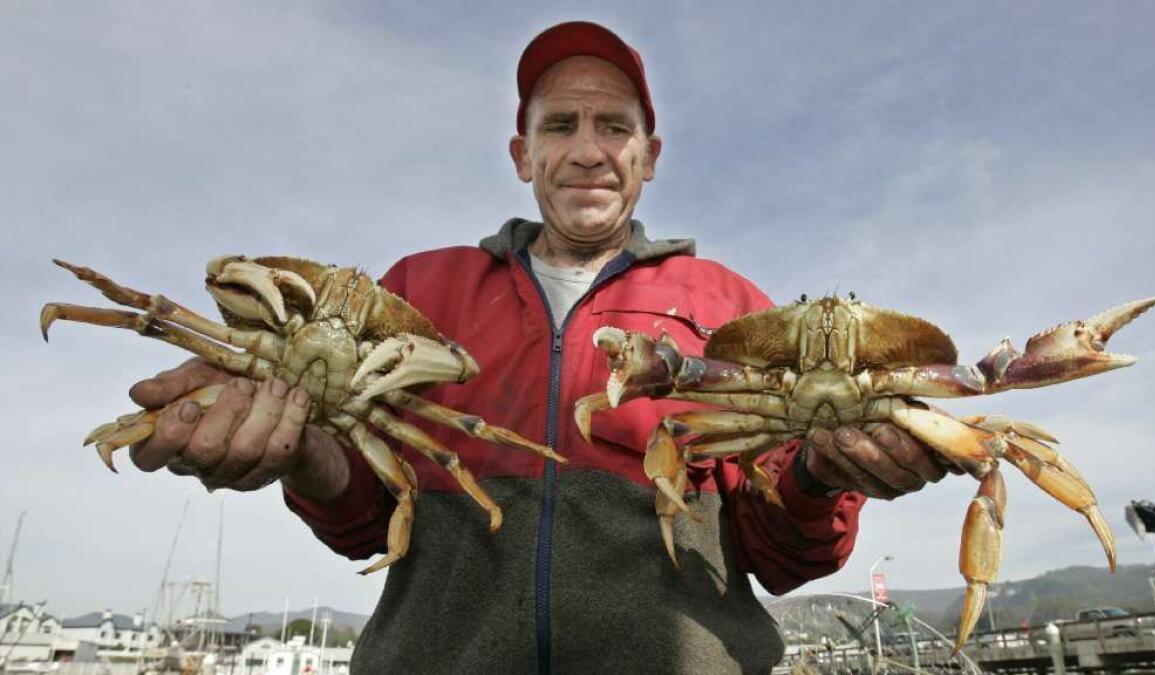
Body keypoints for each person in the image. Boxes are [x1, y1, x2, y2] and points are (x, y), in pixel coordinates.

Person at [127, 21, 949, 673]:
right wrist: (303, 452)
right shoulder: (416, 291)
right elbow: (370, 522)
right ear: (523, 154)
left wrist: (818, 476)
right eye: (560, 125)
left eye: (614, 127)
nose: (588, 149)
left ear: (648, 157)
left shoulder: (733, 312)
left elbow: (782, 554)